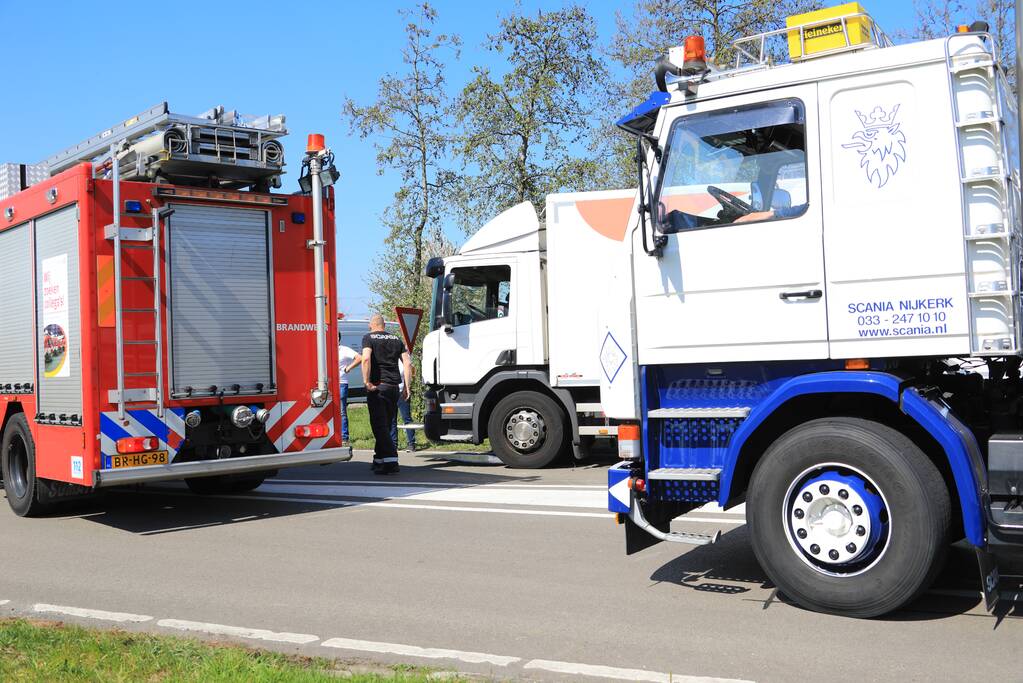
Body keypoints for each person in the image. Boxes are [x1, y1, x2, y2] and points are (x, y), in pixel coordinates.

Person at [362, 314, 410, 474]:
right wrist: (407, 388)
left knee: (379, 426)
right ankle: (378, 459)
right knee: (386, 424)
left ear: (372, 324)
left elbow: (366, 359)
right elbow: (408, 363)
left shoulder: (368, 338)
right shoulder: (397, 339)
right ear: (383, 325)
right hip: (394, 388)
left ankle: (391, 461)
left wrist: (366, 381)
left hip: (378, 387)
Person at [391, 355, 416, 452]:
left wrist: (407, 387)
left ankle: (411, 443)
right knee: (392, 419)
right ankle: (393, 444)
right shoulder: (387, 359)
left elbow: (411, 370)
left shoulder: (403, 359)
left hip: (403, 392)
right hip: (391, 392)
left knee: (407, 418)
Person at [338, 337, 360, 447]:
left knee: (342, 412)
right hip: (328, 384)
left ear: (337, 338)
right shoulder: (326, 349)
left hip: (341, 383)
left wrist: (348, 368)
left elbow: (359, 358)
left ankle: (344, 437)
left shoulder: (344, 350)